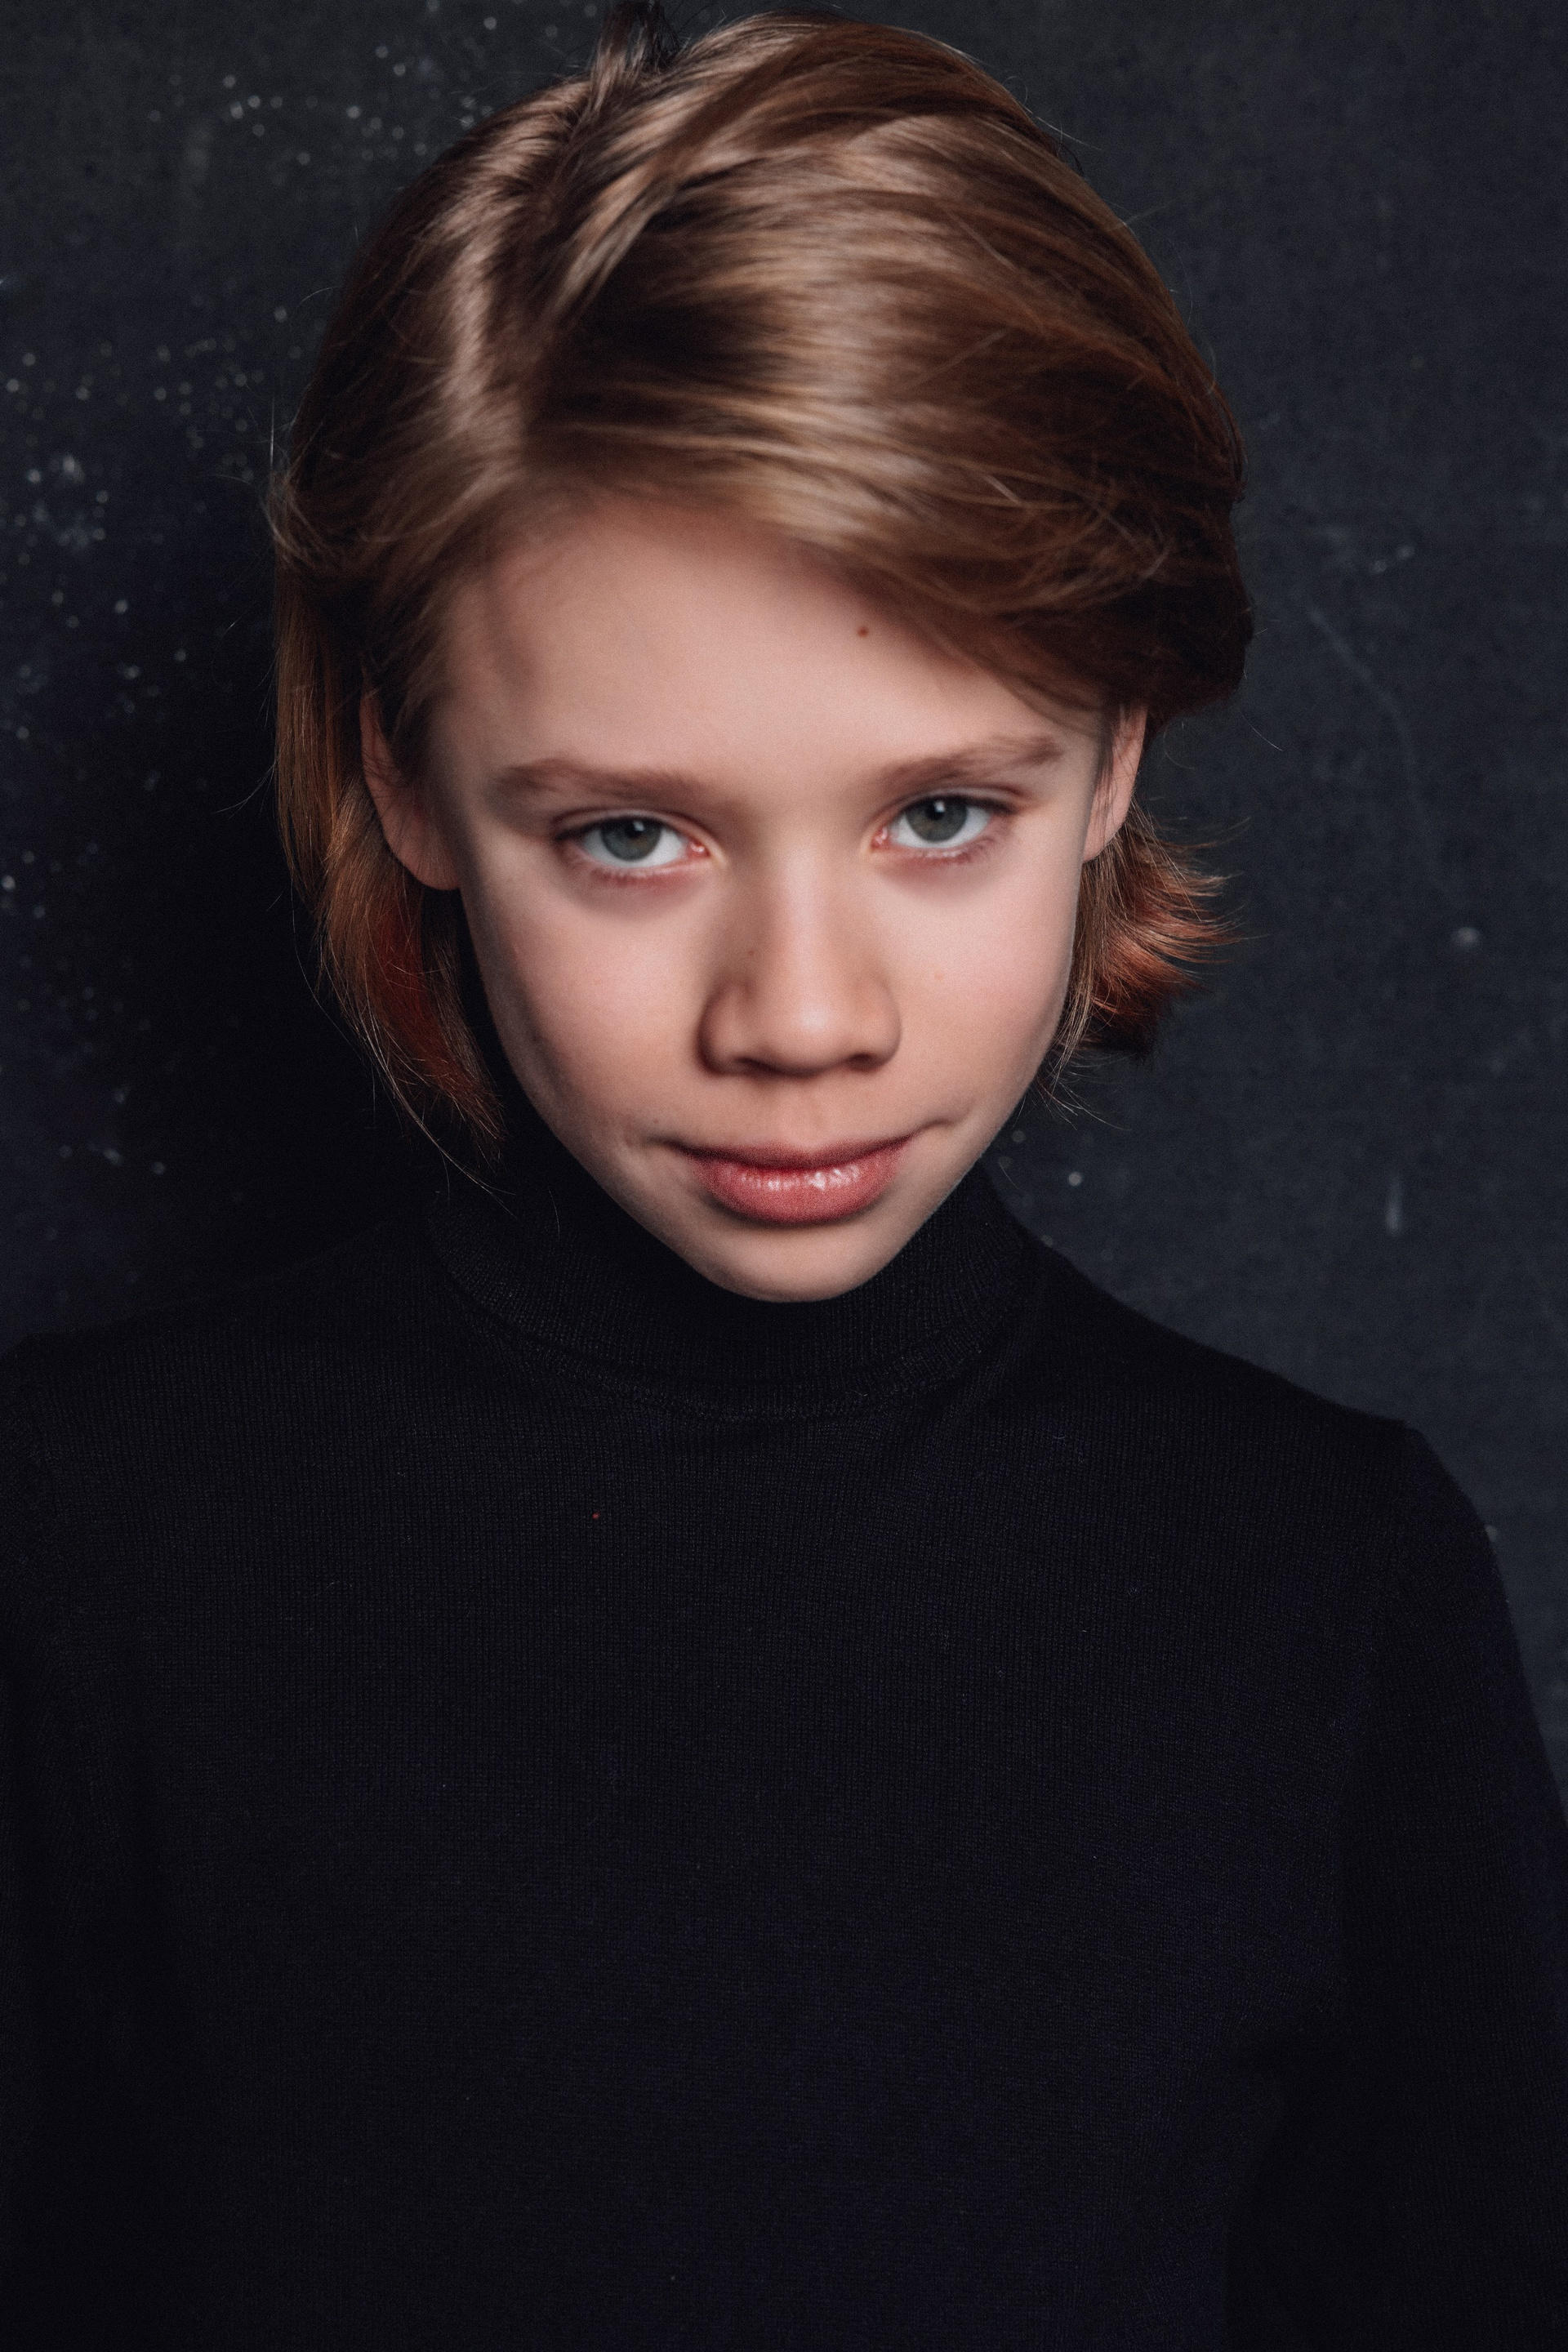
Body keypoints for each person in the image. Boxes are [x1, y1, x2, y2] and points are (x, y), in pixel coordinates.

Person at [3, 6, 1565, 2344]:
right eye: (632, 836)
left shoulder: (1326, 1594)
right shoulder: (78, 1562)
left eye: (942, 812)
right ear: (406, 778)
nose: (804, 1017)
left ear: (1117, 757)